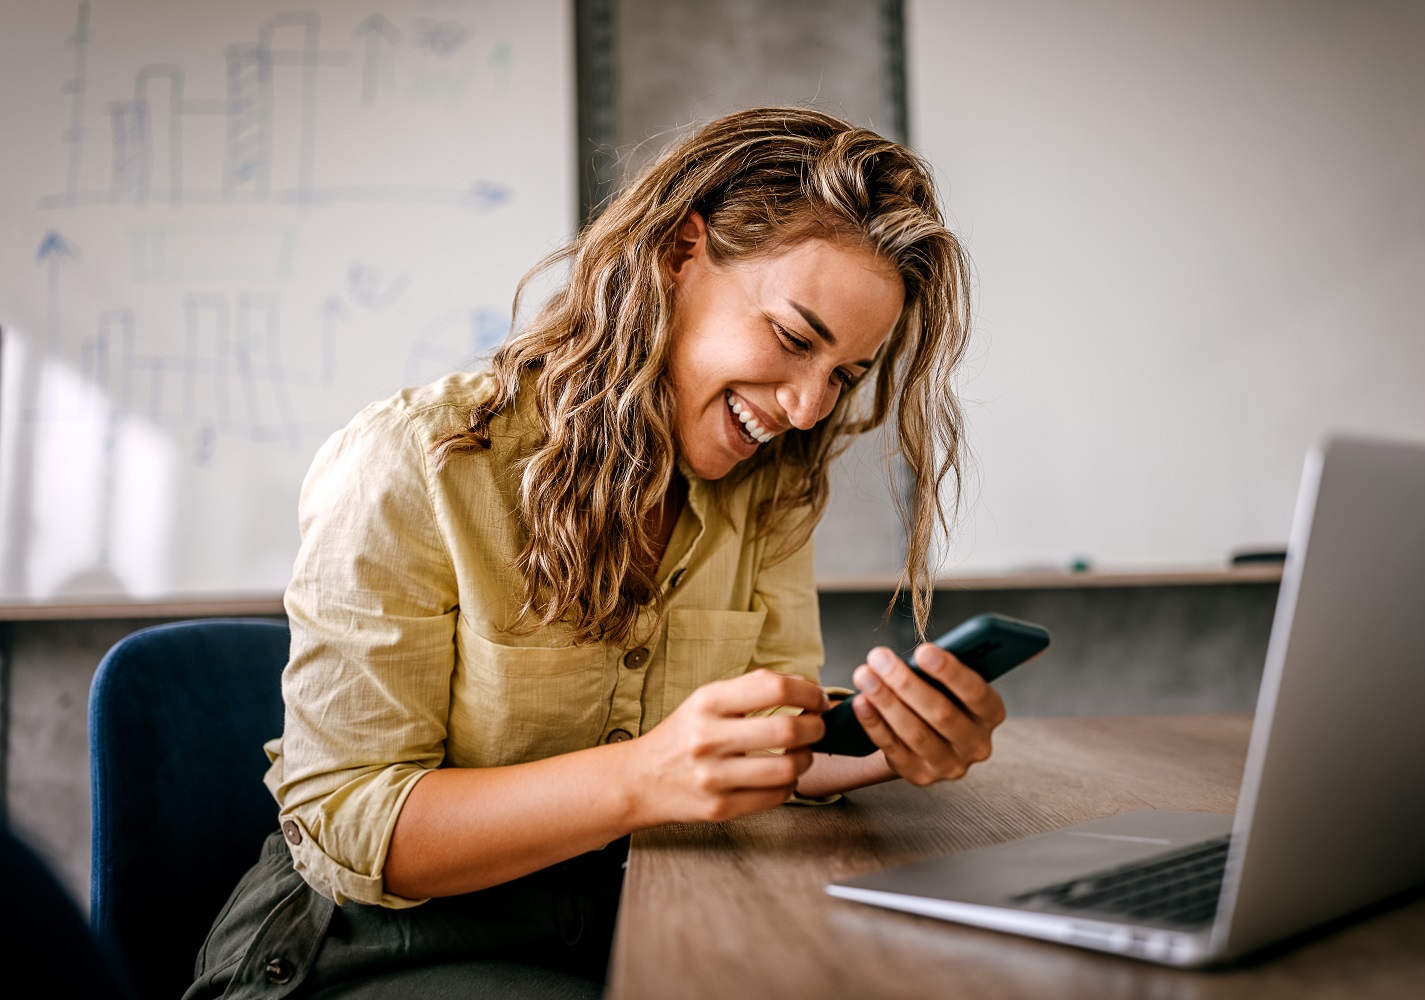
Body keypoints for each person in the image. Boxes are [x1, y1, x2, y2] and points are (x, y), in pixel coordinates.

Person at [184, 106, 1005, 1000]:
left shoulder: (765, 485)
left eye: (843, 374)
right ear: (679, 254)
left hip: (618, 923)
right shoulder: (413, 462)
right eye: (793, 338)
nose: (808, 407)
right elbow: (347, 823)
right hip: (363, 951)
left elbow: (751, 752)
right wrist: (641, 778)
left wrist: (882, 742)